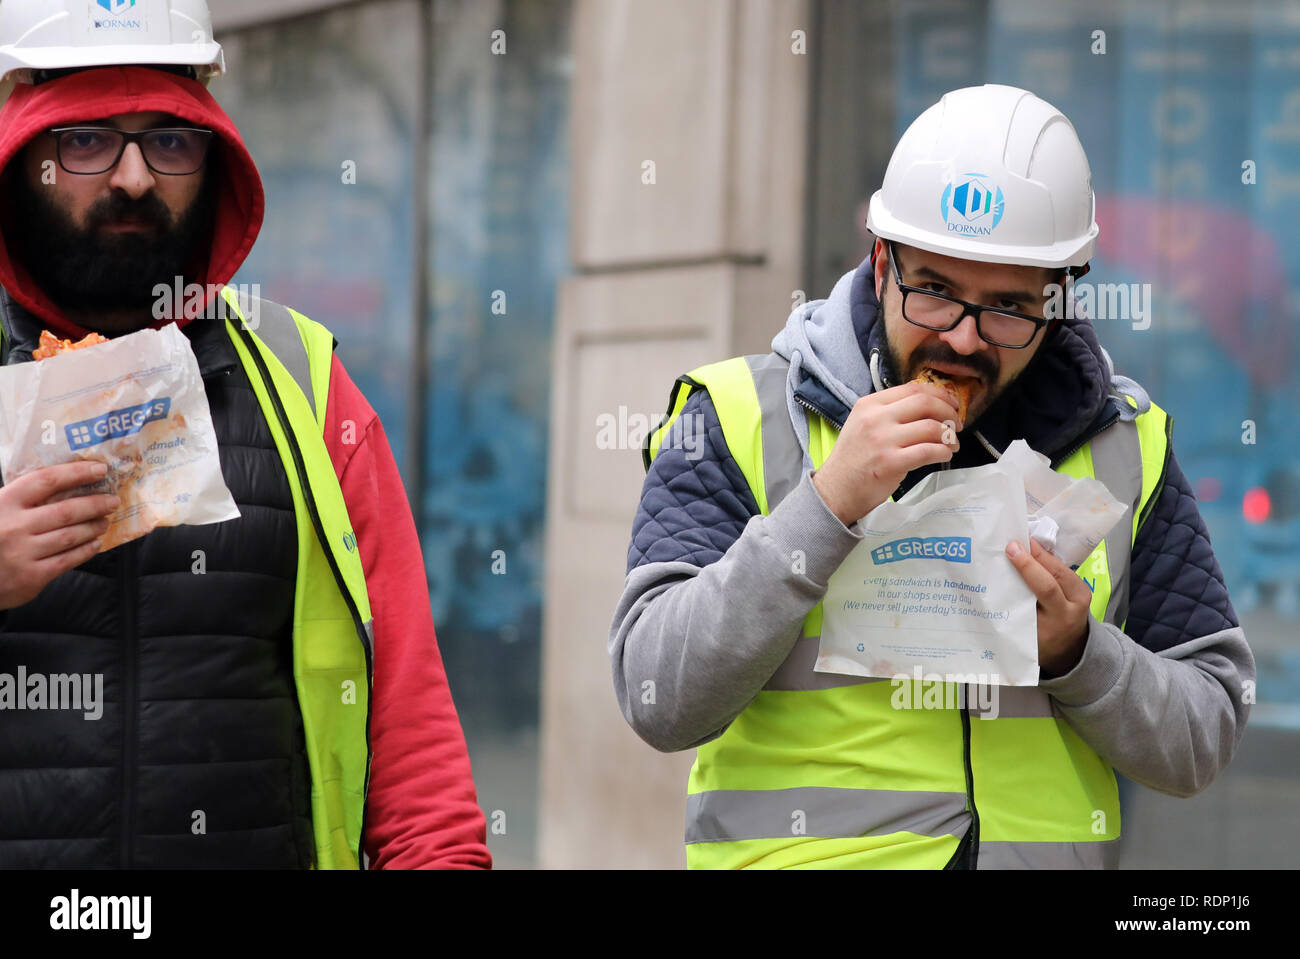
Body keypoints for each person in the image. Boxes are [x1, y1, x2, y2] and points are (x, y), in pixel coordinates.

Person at [611, 84, 1255, 869]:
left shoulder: (1127, 445)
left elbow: (1204, 735)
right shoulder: (734, 416)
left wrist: (1081, 654)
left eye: (1008, 308)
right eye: (936, 291)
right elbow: (657, 698)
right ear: (881, 261)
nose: (963, 339)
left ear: (1059, 298)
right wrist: (824, 508)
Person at [0, 0, 490, 868]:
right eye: (86, 140)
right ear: (21, 149)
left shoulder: (303, 378)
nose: (134, 178)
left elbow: (410, 736)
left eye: (170, 140)